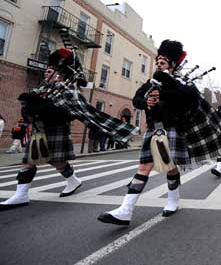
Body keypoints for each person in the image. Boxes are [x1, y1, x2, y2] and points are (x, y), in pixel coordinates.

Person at [98, 40, 221, 225]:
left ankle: (173, 199)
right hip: (154, 128)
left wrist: (164, 91)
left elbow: (190, 99)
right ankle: (125, 210)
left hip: (171, 128)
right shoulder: (150, 82)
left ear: (173, 64)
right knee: (144, 167)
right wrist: (146, 102)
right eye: (158, 61)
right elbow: (136, 99)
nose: (159, 64)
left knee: (170, 167)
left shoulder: (180, 82)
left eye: (163, 62)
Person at [1, 48, 138, 211]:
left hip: (55, 130)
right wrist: (29, 106)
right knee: (40, 161)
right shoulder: (43, 89)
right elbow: (29, 111)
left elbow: (72, 112)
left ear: (60, 72)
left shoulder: (69, 89)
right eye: (46, 70)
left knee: (46, 162)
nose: (47, 73)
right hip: (39, 131)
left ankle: (63, 183)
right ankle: (28, 193)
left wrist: (44, 108)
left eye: (51, 70)